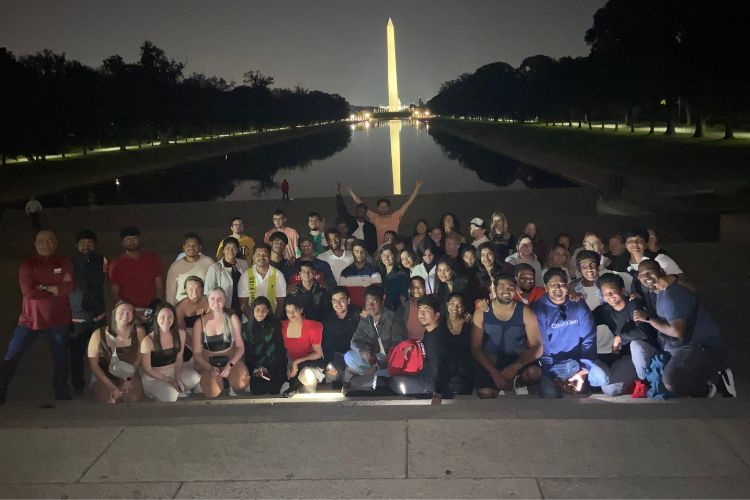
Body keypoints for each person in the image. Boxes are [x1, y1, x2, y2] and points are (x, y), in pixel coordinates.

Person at [631, 260, 735, 398]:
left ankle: (714, 377)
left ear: (661, 272)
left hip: (703, 345)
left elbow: (677, 332)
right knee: (661, 381)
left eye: (650, 272)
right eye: (642, 274)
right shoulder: (658, 292)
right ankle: (703, 379)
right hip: (683, 344)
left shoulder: (671, 294)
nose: (647, 277)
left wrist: (648, 319)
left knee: (672, 383)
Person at [0, 230, 74, 404]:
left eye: (50, 240)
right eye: (41, 240)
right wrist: (54, 289)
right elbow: (29, 293)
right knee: (12, 356)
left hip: (58, 321)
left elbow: (69, 288)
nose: (46, 243)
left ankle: (61, 392)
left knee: (61, 359)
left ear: (56, 243)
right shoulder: (28, 265)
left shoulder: (64, 263)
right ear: (35, 244)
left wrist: (42, 287)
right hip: (29, 321)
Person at [533, 268, 611, 398]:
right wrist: (550, 371)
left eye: (562, 284)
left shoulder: (578, 304)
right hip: (554, 364)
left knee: (603, 378)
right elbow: (542, 345)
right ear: (545, 288)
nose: (558, 288)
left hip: (579, 361)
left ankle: (577, 383)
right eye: (552, 285)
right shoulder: (539, 309)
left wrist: (583, 369)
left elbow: (589, 337)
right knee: (550, 394)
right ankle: (558, 384)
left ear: (567, 286)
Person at [471, 275, 543, 398]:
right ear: (494, 288)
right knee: (486, 393)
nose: (506, 290)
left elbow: (538, 346)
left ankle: (519, 383)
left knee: (534, 373)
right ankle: (500, 383)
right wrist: (493, 372)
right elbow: (476, 347)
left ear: (515, 289)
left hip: (516, 358)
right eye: (502, 287)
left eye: (510, 287)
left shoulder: (525, 312)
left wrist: (517, 366)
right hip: (492, 360)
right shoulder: (481, 311)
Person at [593, 273, 659, 398]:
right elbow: (586, 321)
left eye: (613, 291)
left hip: (648, 352)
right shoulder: (604, 310)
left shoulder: (634, 304)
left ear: (622, 290)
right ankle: (635, 381)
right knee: (609, 390)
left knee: (636, 345)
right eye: (605, 294)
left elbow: (644, 331)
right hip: (628, 358)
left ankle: (644, 383)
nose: (610, 296)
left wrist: (620, 338)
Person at [69, 229, 108, 396]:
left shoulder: (103, 261)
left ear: (95, 245)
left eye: (90, 242)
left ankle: (102, 382)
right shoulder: (69, 263)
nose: (86, 245)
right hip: (76, 318)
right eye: (83, 242)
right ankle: (78, 385)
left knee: (102, 352)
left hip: (97, 316)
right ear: (77, 245)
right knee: (76, 355)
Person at [192, 288, 250, 398]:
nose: (216, 302)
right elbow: (197, 353)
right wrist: (209, 368)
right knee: (212, 392)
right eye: (212, 299)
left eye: (220, 299)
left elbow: (240, 347)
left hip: (229, 358)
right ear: (208, 300)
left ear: (225, 301)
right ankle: (213, 381)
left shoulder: (232, 318)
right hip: (209, 361)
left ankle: (228, 379)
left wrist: (230, 365)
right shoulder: (199, 322)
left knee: (241, 382)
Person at [389, 295, 448, 400]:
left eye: (426, 310)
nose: (421, 314)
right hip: (424, 375)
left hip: (430, 384)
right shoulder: (429, 332)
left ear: (437, 315)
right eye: (420, 310)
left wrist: (436, 391)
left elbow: (438, 368)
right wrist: (412, 345)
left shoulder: (437, 337)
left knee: (395, 381)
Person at [87, 301, 145, 404]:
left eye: (129, 311)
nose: (126, 314)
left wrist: (128, 379)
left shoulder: (139, 331)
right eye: (122, 311)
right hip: (103, 375)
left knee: (132, 398)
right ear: (114, 313)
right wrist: (110, 385)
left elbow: (138, 359)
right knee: (109, 400)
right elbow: (94, 366)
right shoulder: (97, 334)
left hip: (128, 373)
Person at [140, 303, 200, 401]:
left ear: (174, 318)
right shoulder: (148, 340)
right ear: (156, 318)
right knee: (171, 396)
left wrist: (176, 377)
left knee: (195, 377)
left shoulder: (181, 334)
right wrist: (170, 380)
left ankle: (177, 388)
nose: (166, 320)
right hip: (154, 376)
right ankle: (160, 390)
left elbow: (179, 358)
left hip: (173, 370)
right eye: (162, 317)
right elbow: (148, 369)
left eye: (170, 317)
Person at [344, 285, 407, 379]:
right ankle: (377, 375)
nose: (370, 306)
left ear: (383, 300)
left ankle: (376, 375)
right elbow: (356, 340)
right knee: (349, 356)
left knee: (390, 366)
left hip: (391, 359)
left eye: (374, 301)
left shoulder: (393, 318)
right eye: (367, 302)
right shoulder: (366, 318)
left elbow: (398, 347)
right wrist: (367, 354)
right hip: (375, 357)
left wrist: (381, 363)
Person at [109, 226, 164, 317]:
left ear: (139, 239)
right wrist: (126, 308)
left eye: (134, 238)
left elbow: (159, 285)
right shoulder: (116, 264)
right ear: (122, 242)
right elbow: (115, 292)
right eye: (128, 239)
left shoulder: (152, 259)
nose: (132, 242)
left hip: (151, 308)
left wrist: (156, 304)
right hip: (128, 312)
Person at [346, 180, 423, 245]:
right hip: (378, 250)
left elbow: (408, 203)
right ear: (378, 208)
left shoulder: (395, 216)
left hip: (393, 248)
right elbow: (360, 203)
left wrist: (417, 187)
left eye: (385, 206)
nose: (383, 208)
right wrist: (350, 191)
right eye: (381, 207)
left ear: (389, 208)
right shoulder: (373, 216)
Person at [280, 298, 326, 397]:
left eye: (294, 310)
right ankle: (296, 387)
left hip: (310, 362)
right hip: (290, 363)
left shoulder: (312, 327)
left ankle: (309, 384)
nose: (291, 314)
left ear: (301, 310)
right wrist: (291, 365)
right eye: (288, 311)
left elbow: (317, 353)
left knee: (306, 375)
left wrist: (297, 362)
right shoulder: (282, 326)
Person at [244, 296, 287, 395]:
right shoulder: (246, 328)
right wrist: (257, 368)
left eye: (264, 310)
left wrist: (268, 367)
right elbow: (248, 354)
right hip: (257, 368)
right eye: (257, 310)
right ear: (253, 310)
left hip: (274, 365)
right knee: (258, 391)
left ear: (268, 311)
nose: (260, 313)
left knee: (274, 390)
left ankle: (282, 381)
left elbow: (279, 350)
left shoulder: (275, 326)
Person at [321, 287, 361, 385]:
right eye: (335, 301)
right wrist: (328, 364)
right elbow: (326, 347)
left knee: (350, 376)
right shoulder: (328, 320)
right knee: (331, 375)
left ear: (348, 301)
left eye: (341, 300)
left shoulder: (357, 314)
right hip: (336, 356)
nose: (338, 304)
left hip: (353, 356)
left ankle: (348, 387)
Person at [239, 243, 287, 319]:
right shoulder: (245, 276)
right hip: (250, 320)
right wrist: (255, 321)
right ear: (253, 257)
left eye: (264, 255)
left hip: (271, 321)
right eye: (258, 255)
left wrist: (274, 321)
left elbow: (280, 303)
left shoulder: (278, 275)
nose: (261, 257)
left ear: (269, 257)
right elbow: (243, 304)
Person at [204, 237, 249, 316]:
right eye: (227, 248)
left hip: (242, 306)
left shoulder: (243, 264)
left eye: (234, 248)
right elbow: (208, 292)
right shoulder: (215, 268)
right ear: (223, 250)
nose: (231, 251)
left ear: (238, 250)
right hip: (224, 308)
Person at [166, 233, 214, 305]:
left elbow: (214, 285)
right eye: (188, 245)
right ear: (183, 247)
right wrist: (171, 309)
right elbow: (170, 291)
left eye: (194, 245)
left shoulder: (208, 262)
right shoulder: (175, 266)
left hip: (203, 307)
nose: (191, 247)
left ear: (200, 247)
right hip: (181, 308)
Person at [443, 293, 475, 395]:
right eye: (452, 304)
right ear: (447, 305)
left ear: (464, 308)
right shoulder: (440, 323)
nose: (455, 308)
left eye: (459, 305)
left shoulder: (470, 324)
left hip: (465, 370)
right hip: (445, 369)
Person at [335, 183, 377, 255]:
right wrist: (338, 193)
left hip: (365, 252)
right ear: (355, 211)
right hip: (349, 251)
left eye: (363, 211)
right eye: (359, 210)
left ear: (366, 212)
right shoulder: (350, 221)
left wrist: (358, 241)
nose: (361, 212)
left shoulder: (370, 226)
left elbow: (373, 244)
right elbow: (341, 209)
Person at [338, 240, 382, 308]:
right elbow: (342, 295)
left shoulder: (374, 272)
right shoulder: (345, 273)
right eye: (356, 251)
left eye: (362, 251)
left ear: (366, 252)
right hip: (351, 311)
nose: (359, 254)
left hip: (368, 310)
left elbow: (376, 295)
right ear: (352, 252)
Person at [175, 276, 209, 360]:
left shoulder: (208, 300)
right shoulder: (180, 307)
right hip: (188, 337)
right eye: (190, 289)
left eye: (197, 289)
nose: (194, 293)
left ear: (202, 289)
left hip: (205, 334)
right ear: (185, 290)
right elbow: (182, 332)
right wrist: (195, 348)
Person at [377, 244, 410, 311]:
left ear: (394, 256)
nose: (386, 257)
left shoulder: (401, 275)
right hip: (382, 312)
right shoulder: (379, 274)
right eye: (383, 255)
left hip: (395, 313)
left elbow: (404, 298)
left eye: (389, 254)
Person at [397, 276, 428, 340]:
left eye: (419, 287)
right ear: (410, 289)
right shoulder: (405, 305)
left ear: (424, 288)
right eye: (413, 287)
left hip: (427, 340)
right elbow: (398, 325)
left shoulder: (431, 303)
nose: (416, 289)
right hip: (409, 341)